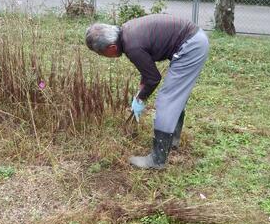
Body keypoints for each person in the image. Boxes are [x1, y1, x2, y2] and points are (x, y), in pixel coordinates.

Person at [85, 14, 210, 169]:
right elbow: (147, 71)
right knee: (176, 95)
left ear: (112, 48)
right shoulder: (127, 32)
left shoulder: (132, 47)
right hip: (194, 39)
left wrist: (141, 98)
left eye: (101, 53)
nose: (103, 57)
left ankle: (157, 160)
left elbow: (153, 78)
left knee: (168, 99)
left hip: (191, 46)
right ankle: (173, 140)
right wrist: (140, 93)